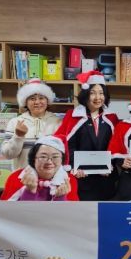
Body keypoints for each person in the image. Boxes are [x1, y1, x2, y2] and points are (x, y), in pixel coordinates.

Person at [54, 71, 118, 201]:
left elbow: (116, 145)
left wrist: (110, 165)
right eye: (92, 93)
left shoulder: (111, 118)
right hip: (81, 178)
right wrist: (74, 166)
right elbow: (65, 145)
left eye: (101, 93)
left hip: (106, 179)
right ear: (85, 94)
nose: (97, 97)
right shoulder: (73, 116)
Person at [1, 78, 62, 170]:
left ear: (47, 100)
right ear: (25, 102)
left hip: (51, 176)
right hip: (23, 175)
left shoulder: (58, 122)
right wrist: (18, 136)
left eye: (41, 98)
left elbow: (63, 153)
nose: (37, 102)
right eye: (32, 99)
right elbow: (8, 155)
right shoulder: (15, 122)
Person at [0, 136, 78, 201]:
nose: (49, 162)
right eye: (43, 157)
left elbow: (73, 213)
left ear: (62, 160)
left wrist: (60, 198)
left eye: (55, 157)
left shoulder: (69, 180)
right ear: (33, 159)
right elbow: (7, 212)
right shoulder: (15, 178)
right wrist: (29, 192)